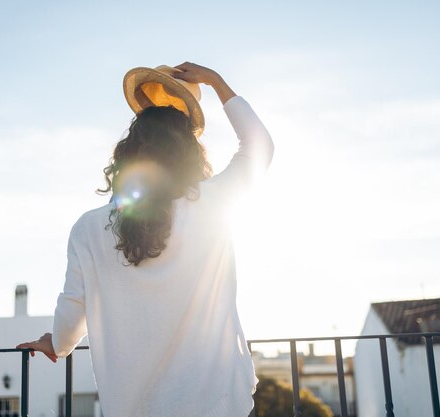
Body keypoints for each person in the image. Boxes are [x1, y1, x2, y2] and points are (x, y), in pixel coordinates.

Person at [17, 62, 274, 417]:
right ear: (189, 152)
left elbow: (73, 309)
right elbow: (259, 146)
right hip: (215, 401)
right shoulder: (215, 203)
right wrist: (215, 81)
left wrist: (57, 344)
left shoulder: (89, 228)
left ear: (126, 155)